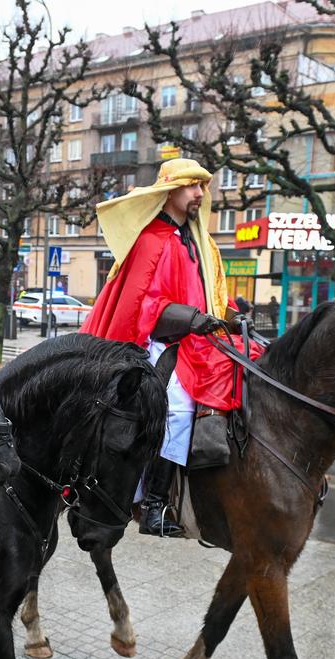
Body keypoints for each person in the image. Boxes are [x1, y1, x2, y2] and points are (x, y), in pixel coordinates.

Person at [81, 158, 253, 537]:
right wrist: (191, 319)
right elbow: (144, 305)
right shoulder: (150, 240)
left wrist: (233, 314)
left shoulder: (202, 243)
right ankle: (155, 504)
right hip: (158, 344)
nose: (199, 194)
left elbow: (214, 295)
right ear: (170, 190)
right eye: (193, 186)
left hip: (200, 341)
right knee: (178, 405)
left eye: (203, 187)